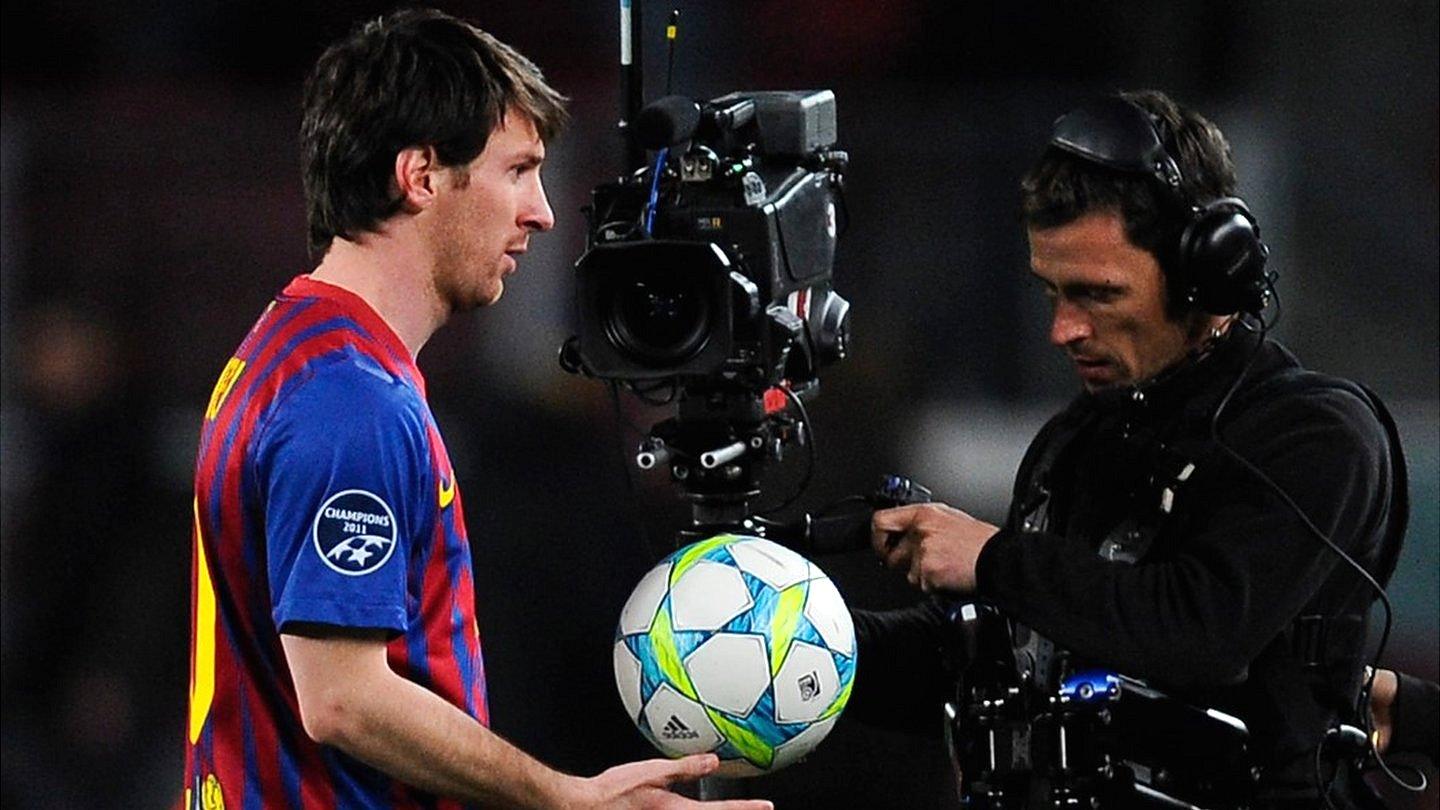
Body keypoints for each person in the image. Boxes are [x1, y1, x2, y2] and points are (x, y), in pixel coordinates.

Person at [181, 9, 771, 809]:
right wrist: (563, 797)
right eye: (517, 170)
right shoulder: (351, 400)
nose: (542, 211)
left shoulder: (290, 346)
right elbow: (344, 699)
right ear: (421, 175)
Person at [852, 90, 1408, 808]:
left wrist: (992, 558)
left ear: (1205, 274)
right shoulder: (1075, 441)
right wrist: (806, 649)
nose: (1064, 330)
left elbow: (1199, 632)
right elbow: (999, 653)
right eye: (1051, 293)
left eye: (1097, 295)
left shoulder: (1314, 436)